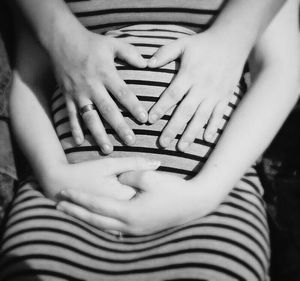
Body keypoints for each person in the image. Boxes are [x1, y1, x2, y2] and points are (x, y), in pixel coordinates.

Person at [0, 0, 299, 280]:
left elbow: (281, 68)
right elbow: (29, 77)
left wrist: (204, 194)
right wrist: (54, 175)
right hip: (68, 199)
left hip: (208, 202)